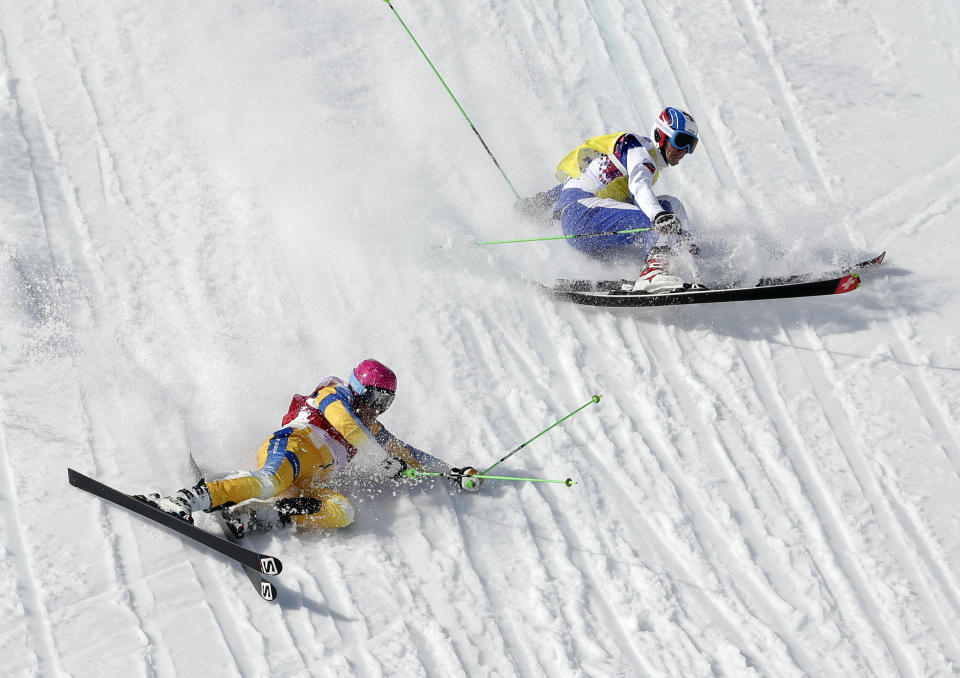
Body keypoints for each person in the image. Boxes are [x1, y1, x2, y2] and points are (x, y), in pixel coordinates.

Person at [137, 359, 484, 538]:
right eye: (376, 398)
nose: (378, 409)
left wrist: (451, 471)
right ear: (360, 388)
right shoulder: (334, 394)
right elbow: (346, 424)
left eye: (386, 402)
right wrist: (380, 459)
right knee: (268, 483)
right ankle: (183, 501)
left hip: (311, 479)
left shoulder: (372, 426)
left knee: (342, 512)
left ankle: (260, 516)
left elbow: (408, 452)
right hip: (292, 448)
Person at [516, 106, 701, 293]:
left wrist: (539, 203)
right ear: (661, 135)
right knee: (663, 217)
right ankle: (653, 274)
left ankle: (680, 259)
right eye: (681, 141)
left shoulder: (628, 156)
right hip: (581, 216)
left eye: (690, 145)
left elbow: (581, 177)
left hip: (584, 217)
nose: (684, 150)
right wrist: (659, 216)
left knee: (670, 206)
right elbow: (639, 187)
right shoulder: (638, 150)